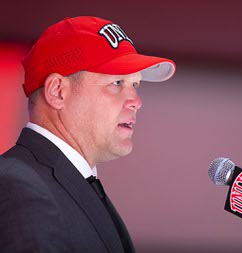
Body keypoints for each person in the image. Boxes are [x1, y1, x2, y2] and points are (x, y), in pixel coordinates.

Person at [0, 16, 175, 253]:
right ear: (58, 91)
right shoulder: (19, 187)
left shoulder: (56, 182)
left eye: (135, 85)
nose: (136, 101)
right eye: (117, 82)